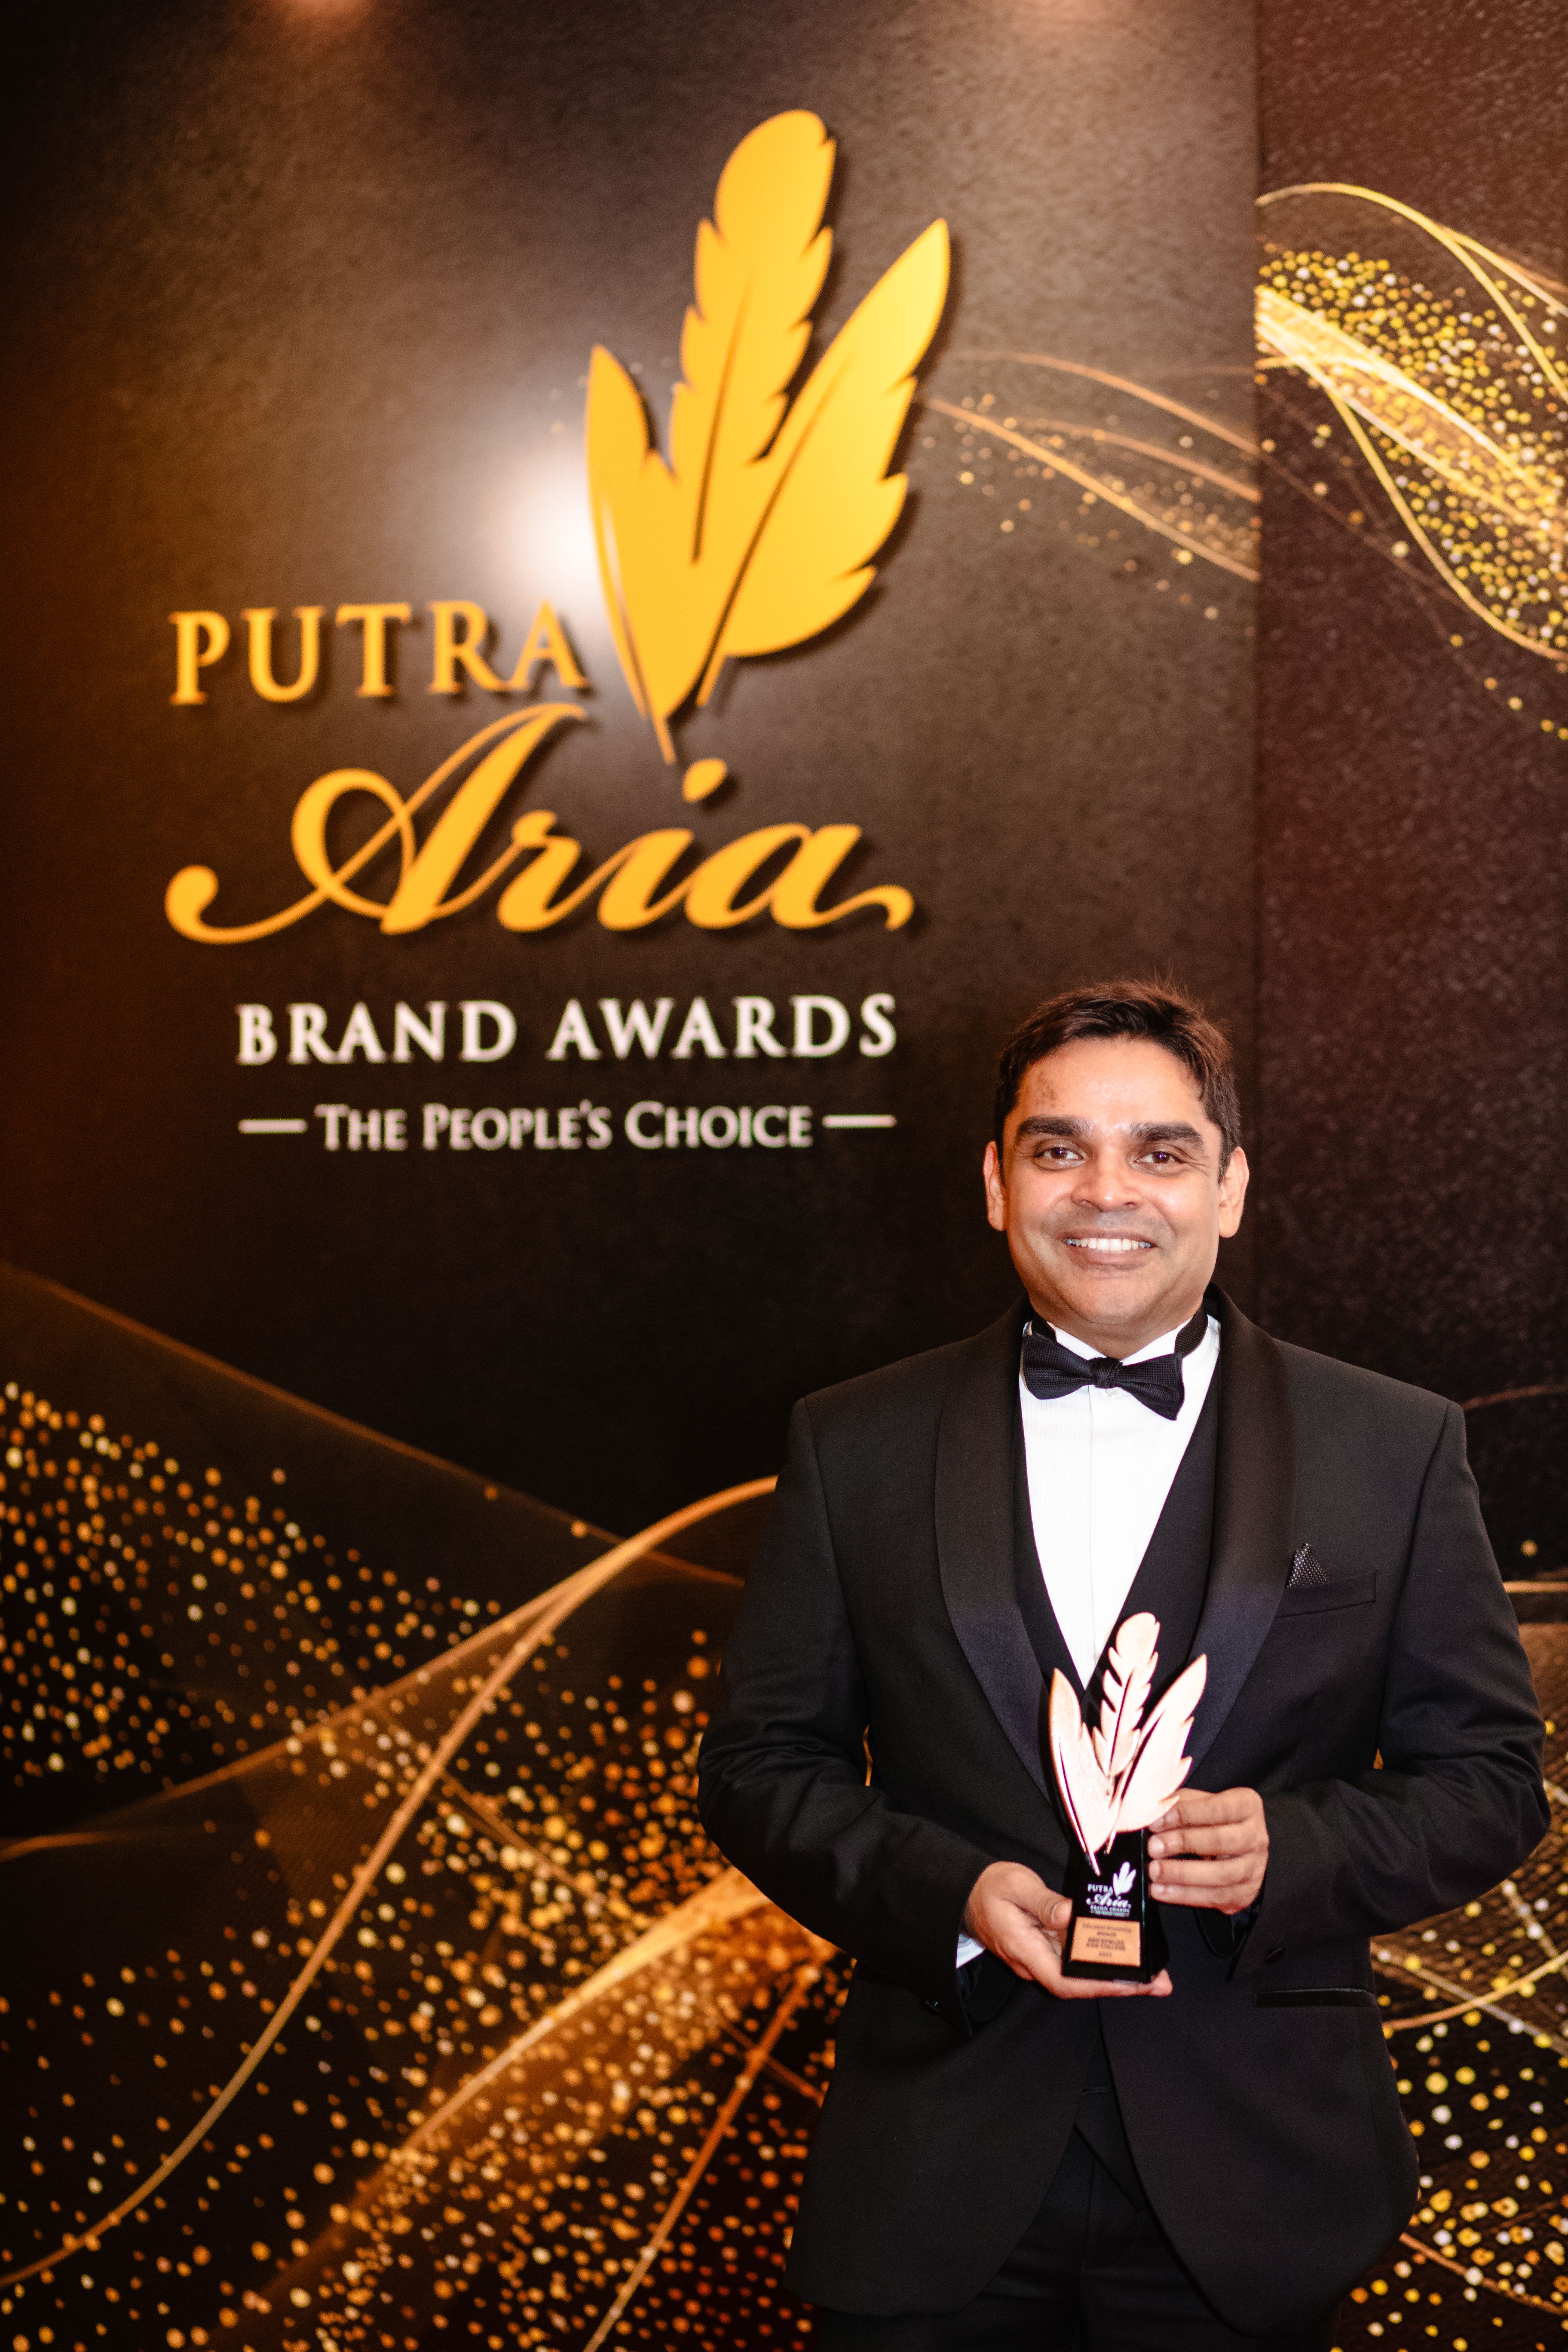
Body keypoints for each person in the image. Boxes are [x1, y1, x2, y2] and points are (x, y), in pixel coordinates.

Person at [696, 979, 1547, 2351]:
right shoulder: (851, 1443)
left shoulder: (1394, 1445)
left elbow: (1494, 1783)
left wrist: (1293, 1848)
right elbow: (757, 1767)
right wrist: (953, 1896)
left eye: (1160, 1151)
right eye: (1059, 1148)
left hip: (1255, 2180)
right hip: (935, 2175)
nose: (1107, 1191)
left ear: (1230, 1187)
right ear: (998, 1183)